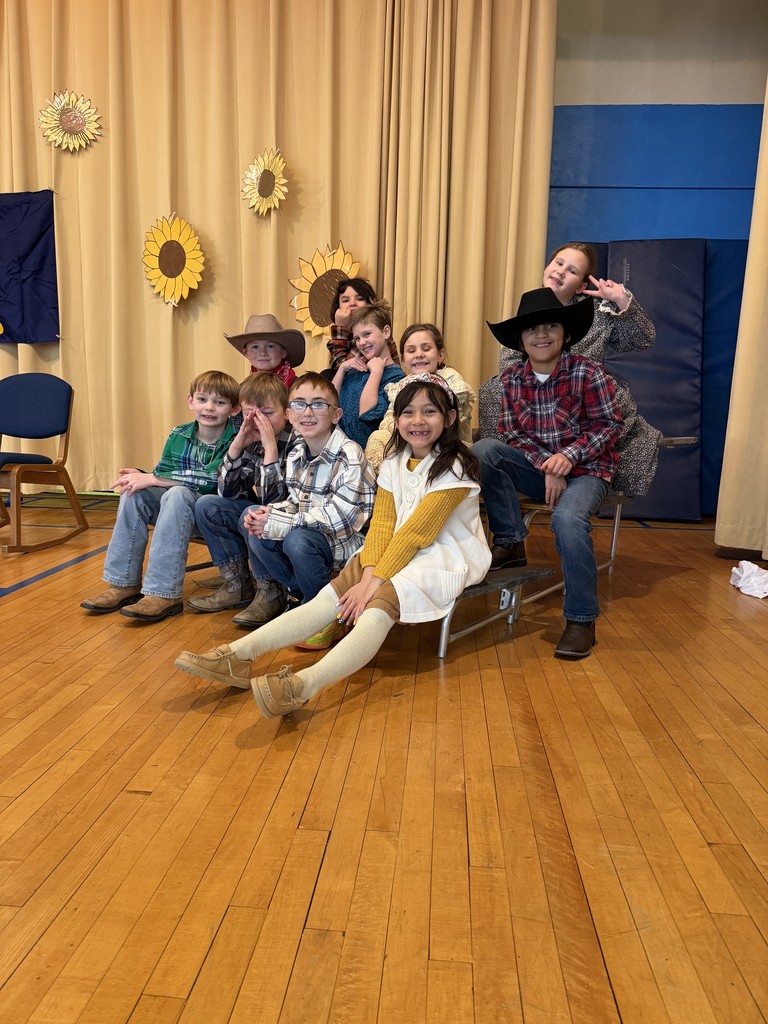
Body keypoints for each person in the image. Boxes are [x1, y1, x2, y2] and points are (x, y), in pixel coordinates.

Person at [174, 374, 492, 717]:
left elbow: (418, 533)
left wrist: (372, 583)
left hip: (443, 553)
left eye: (429, 412)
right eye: (408, 413)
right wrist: (368, 571)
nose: (417, 421)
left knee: (377, 605)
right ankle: (237, 656)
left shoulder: (455, 466)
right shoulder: (394, 462)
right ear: (396, 419)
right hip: (392, 547)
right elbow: (385, 524)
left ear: (449, 418)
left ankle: (303, 685)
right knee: (332, 597)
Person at [474, 288, 623, 660]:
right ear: (521, 341)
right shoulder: (510, 380)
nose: (541, 335)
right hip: (542, 469)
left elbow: (609, 425)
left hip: (587, 471)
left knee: (568, 521)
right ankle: (510, 541)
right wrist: (549, 465)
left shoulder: (588, 372)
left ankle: (581, 618)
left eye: (550, 326)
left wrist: (568, 458)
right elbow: (511, 433)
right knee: (484, 451)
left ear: (566, 334)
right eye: (531, 330)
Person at [479, 241, 661, 496]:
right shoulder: (529, 310)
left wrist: (621, 300)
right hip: (536, 411)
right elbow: (511, 368)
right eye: (559, 263)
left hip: (584, 410)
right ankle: (505, 478)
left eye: (573, 271)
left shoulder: (599, 315)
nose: (561, 272)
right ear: (547, 266)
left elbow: (642, 339)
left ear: (582, 285)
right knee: (493, 388)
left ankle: (576, 475)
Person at [81, 370, 240, 622]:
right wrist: (143, 476)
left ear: (233, 409)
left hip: (211, 516)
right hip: (176, 513)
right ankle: (123, 584)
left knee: (177, 494)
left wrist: (153, 478)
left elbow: (215, 481)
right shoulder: (179, 433)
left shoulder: (236, 436)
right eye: (202, 400)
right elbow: (164, 473)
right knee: (133, 493)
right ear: (190, 401)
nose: (209, 408)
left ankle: (162, 593)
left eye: (219, 402)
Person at [234, 371, 377, 647]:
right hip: (312, 537)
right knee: (252, 522)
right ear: (289, 414)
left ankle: (323, 615)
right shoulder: (298, 451)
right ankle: (302, 597)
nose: (308, 412)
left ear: (335, 415)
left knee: (296, 539)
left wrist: (282, 522)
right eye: (299, 404)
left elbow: (342, 520)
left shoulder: (349, 455)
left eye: (318, 404)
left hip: (347, 544)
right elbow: (295, 501)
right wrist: (271, 513)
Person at [186, 373, 295, 614]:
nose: (257, 420)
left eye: (266, 413)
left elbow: (273, 503)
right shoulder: (251, 439)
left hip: (293, 521)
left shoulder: (296, 440)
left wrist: (270, 449)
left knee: (254, 511)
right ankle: (238, 585)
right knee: (208, 504)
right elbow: (227, 492)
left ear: (286, 412)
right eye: (249, 413)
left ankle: (271, 590)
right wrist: (237, 444)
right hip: (266, 518)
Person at [365, 323, 475, 469]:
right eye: (411, 351)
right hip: (409, 437)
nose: (419, 354)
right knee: (378, 438)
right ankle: (383, 486)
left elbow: (452, 420)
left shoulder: (451, 379)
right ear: (403, 360)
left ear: (440, 355)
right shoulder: (401, 386)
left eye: (426, 349)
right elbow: (391, 417)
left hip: (445, 441)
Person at [332, 300, 405, 449]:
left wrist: (376, 372)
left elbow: (368, 413)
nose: (362, 342)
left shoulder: (398, 378)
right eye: (357, 338)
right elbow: (329, 403)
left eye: (367, 334)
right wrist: (342, 369)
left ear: (386, 332)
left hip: (369, 459)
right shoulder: (356, 371)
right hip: (341, 454)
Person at [225, 313, 305, 388]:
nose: (262, 353)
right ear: (246, 353)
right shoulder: (240, 391)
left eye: (270, 346)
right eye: (255, 347)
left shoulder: (300, 389)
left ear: (283, 352)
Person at [326, 277, 377, 372]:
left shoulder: (374, 328)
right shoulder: (350, 330)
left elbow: (342, 368)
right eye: (345, 300)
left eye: (360, 299)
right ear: (338, 307)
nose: (352, 303)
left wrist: (339, 327)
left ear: (370, 303)